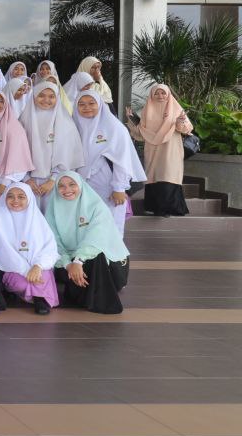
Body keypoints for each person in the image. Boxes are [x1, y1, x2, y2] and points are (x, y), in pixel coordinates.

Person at [46, 171, 130, 314]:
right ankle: (84, 295)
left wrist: (78, 261)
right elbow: (53, 243)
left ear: (80, 185)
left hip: (110, 267)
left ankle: (96, 300)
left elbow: (96, 238)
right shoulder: (53, 209)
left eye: (72, 184)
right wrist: (68, 264)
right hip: (69, 264)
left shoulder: (97, 207)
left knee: (96, 255)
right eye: (61, 186)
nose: (67, 190)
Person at [74, 91, 145, 235]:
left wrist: (119, 188)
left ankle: (113, 256)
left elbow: (122, 159)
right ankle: (91, 256)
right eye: (81, 104)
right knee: (87, 223)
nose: (87, 107)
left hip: (108, 185)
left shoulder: (114, 127)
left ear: (100, 104)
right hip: (83, 185)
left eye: (91, 103)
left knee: (111, 223)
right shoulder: (75, 125)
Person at [0, 182, 59, 315]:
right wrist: (27, 270)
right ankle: (36, 296)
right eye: (10, 196)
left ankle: (39, 299)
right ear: (4, 198)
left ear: (29, 199)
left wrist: (38, 266)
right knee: (22, 283)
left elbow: (50, 247)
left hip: (35, 266)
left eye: (21, 197)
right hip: (10, 265)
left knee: (43, 273)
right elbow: (3, 250)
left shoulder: (37, 218)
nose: (15, 201)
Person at [127, 84, 193, 217]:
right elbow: (141, 134)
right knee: (155, 176)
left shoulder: (176, 109)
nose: (160, 96)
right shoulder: (147, 110)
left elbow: (187, 129)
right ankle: (157, 208)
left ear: (168, 94)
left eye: (163, 93)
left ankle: (170, 208)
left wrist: (180, 122)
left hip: (171, 148)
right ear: (152, 95)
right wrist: (131, 119)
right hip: (153, 150)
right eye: (157, 93)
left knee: (168, 174)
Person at [19, 81, 84, 209]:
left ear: (57, 98)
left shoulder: (66, 123)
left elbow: (67, 154)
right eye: (41, 95)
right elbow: (17, 152)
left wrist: (53, 180)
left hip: (57, 182)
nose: (46, 100)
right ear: (34, 96)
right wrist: (26, 178)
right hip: (27, 182)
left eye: (51, 96)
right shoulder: (23, 121)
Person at [0, 89, 34, 205]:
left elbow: (20, 161)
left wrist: (5, 183)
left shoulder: (14, 128)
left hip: (4, 181)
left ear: (5, 103)